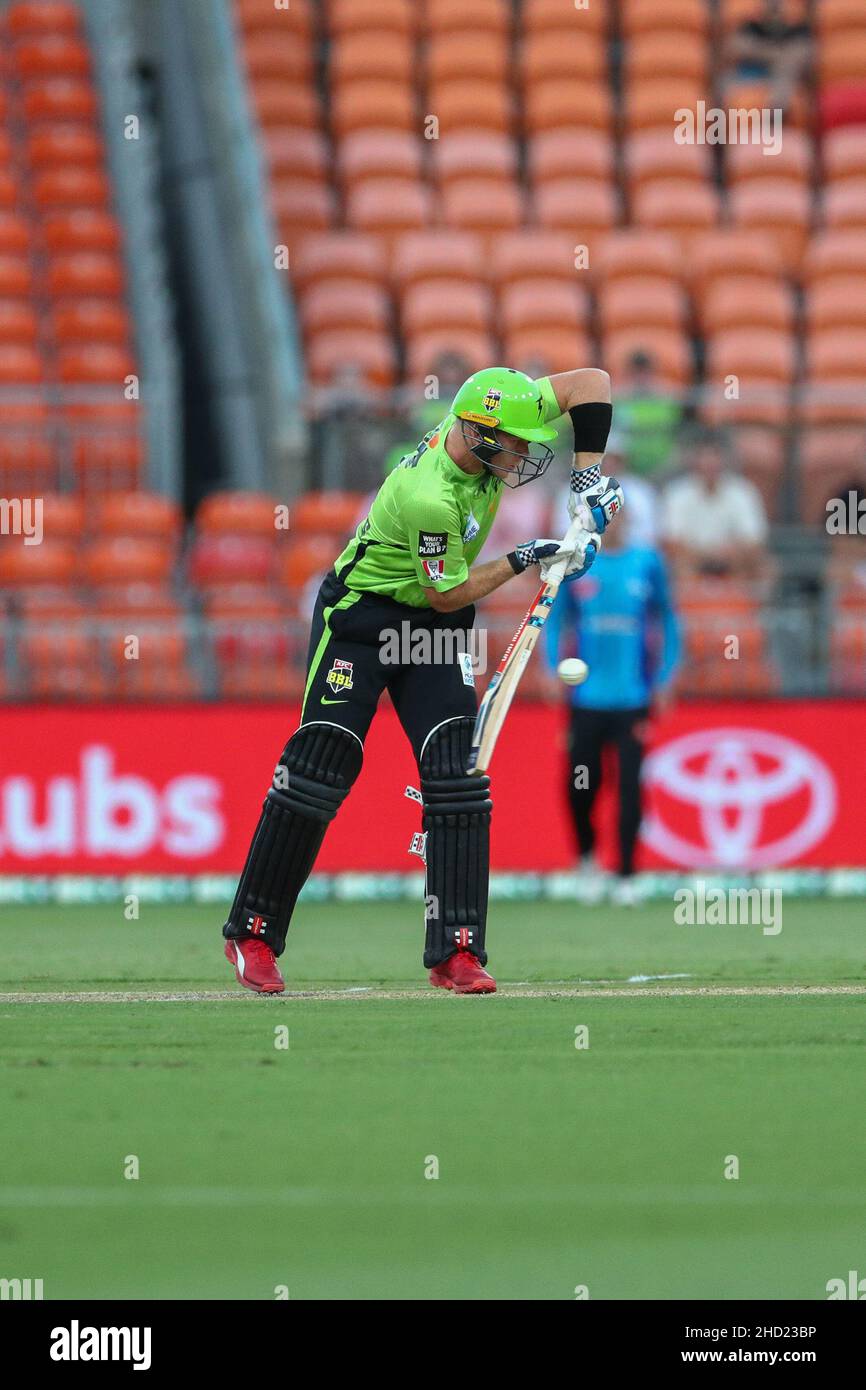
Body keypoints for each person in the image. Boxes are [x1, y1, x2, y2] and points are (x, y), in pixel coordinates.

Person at [222, 366, 624, 994]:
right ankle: (252, 932)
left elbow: (591, 384)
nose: (523, 454)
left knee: (456, 778)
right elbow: (448, 595)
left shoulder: (495, 417)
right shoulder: (428, 495)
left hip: (433, 633)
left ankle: (456, 951)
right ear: (480, 435)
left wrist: (588, 478)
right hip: (364, 617)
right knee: (318, 769)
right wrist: (528, 557)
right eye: (516, 444)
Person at [546, 517, 681, 906]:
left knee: (629, 787)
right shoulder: (581, 563)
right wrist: (553, 667)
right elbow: (557, 620)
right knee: (581, 785)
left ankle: (627, 874)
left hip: (633, 700)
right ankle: (587, 860)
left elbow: (668, 620)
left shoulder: (647, 562)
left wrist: (665, 676)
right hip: (586, 701)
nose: (615, 525)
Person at [661, 433, 769, 581]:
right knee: (678, 563)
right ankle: (690, 603)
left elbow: (754, 539)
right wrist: (705, 554)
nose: (710, 463)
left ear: (725, 460)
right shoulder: (677, 493)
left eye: (715, 456)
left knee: (764, 565)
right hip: (692, 560)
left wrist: (729, 553)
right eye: (704, 457)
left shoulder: (743, 491)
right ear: (694, 461)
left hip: (733, 560)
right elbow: (672, 541)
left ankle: (741, 603)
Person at [724, 0, 812, 112]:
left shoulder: (796, 31)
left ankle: (776, 111)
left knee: (788, 69)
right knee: (723, 85)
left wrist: (765, 54)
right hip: (749, 76)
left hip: (781, 76)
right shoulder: (751, 27)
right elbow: (736, 47)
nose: (773, 15)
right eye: (769, 10)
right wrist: (773, 54)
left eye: (775, 10)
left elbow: (803, 53)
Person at [615, 350, 682, 481]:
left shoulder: (667, 398)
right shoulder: (619, 400)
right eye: (636, 373)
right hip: (628, 465)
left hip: (663, 464)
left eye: (644, 372)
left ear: (652, 373)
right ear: (629, 374)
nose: (641, 378)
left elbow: (674, 430)